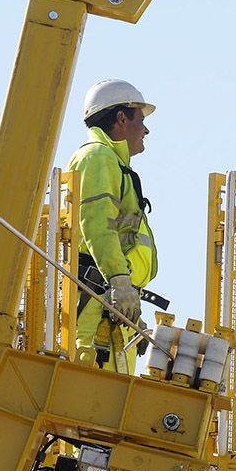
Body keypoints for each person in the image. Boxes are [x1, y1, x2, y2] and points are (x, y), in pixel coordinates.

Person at [67, 79, 158, 374]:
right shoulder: (97, 157)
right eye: (141, 120)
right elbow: (97, 226)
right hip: (96, 307)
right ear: (121, 118)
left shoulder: (110, 162)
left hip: (107, 306)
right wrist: (119, 281)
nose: (146, 130)